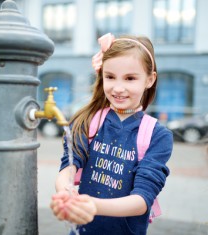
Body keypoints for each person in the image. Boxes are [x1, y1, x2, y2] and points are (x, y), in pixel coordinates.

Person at [50, 33, 173, 235]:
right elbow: (68, 167)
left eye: (130, 78)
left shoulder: (157, 135)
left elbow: (142, 200)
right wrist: (66, 193)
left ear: (150, 79)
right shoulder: (88, 121)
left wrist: (92, 205)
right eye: (110, 77)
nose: (118, 88)